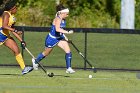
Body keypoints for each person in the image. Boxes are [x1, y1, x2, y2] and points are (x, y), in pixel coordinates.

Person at [32, 4, 75, 73]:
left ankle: (68, 68)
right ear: (62, 13)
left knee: (68, 51)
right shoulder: (57, 19)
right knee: (46, 53)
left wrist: (66, 39)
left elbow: (61, 31)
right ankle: (35, 60)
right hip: (51, 39)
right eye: (66, 14)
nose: (67, 15)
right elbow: (57, 29)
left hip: (59, 38)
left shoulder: (63, 20)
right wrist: (68, 32)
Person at [0, 1, 33, 75]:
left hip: (5, 36)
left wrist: (21, 40)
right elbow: (4, 26)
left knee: (16, 50)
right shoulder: (6, 14)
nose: (17, 9)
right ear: (12, 9)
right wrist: (15, 30)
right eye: (16, 7)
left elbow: (12, 30)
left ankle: (24, 68)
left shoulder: (13, 18)